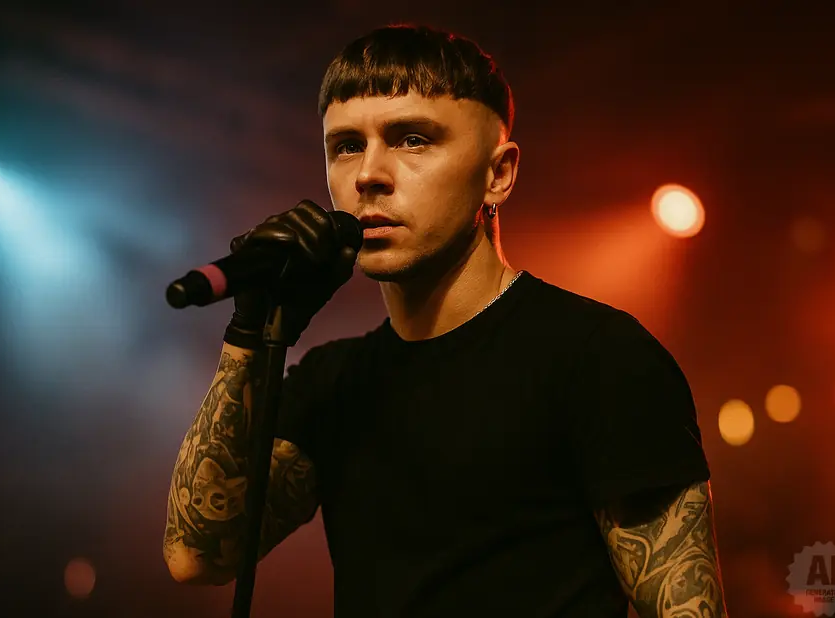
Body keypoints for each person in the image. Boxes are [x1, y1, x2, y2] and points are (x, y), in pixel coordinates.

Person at [163, 23, 727, 618]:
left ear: (498, 174)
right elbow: (197, 555)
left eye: (412, 139)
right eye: (346, 145)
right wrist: (251, 329)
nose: (368, 175)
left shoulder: (598, 356)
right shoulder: (333, 380)